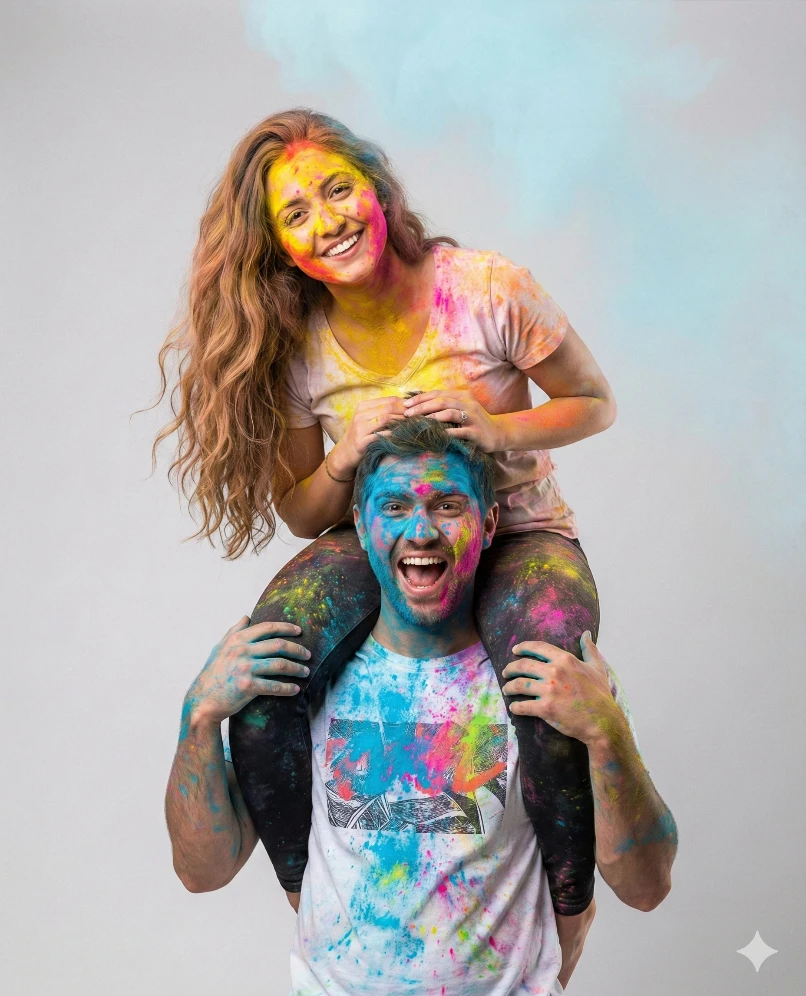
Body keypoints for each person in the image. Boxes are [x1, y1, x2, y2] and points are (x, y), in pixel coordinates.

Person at [154, 108, 618, 922]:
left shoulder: (485, 287)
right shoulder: (297, 343)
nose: (327, 221)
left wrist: (496, 428)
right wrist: (342, 455)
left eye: (337, 190)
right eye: (296, 215)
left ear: (378, 187)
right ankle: (311, 901)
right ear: (278, 246)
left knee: (550, 698)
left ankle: (564, 917)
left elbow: (594, 402)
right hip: (386, 550)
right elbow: (303, 512)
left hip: (518, 536)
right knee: (266, 686)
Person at [165, 417, 677, 996]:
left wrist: (609, 734)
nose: (421, 529)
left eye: (448, 506)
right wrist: (199, 717)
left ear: (488, 525)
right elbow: (201, 871)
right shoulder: (306, 680)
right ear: (359, 525)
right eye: (395, 505)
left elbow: (646, 886)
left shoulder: (551, 680)